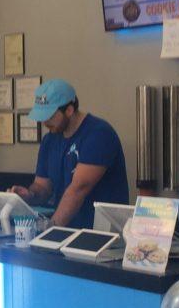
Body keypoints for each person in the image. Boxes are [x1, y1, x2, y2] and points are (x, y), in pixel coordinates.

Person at [11, 79, 129, 228]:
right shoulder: (50, 139)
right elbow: (42, 186)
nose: (45, 122)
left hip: (101, 236)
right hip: (67, 231)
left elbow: (78, 190)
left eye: (50, 116)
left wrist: (50, 231)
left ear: (69, 110)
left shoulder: (98, 134)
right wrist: (29, 195)